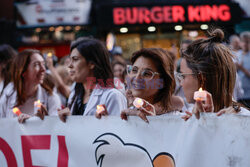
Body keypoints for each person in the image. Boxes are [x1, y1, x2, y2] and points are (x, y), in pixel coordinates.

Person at [177, 29, 249, 120]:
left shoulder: (242, 121)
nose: (181, 83)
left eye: (183, 76)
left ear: (201, 78)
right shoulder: (188, 116)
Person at [58, 37, 127, 122]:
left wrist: (105, 122)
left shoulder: (112, 96)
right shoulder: (74, 95)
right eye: (70, 60)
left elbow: (119, 131)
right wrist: (69, 120)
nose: (70, 65)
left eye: (75, 59)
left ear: (91, 64)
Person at [121, 48, 184, 122]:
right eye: (134, 70)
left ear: (163, 82)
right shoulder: (127, 112)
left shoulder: (176, 120)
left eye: (147, 73)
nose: (137, 78)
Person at [0, 49, 61, 122]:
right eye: (37, 64)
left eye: (43, 64)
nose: (43, 69)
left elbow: (56, 128)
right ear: (22, 71)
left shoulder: (51, 98)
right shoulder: (7, 96)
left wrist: (44, 121)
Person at [236, 31, 250, 108]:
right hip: (239, 95)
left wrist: (241, 67)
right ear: (240, 43)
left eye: (247, 42)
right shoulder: (236, 54)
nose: (245, 44)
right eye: (243, 41)